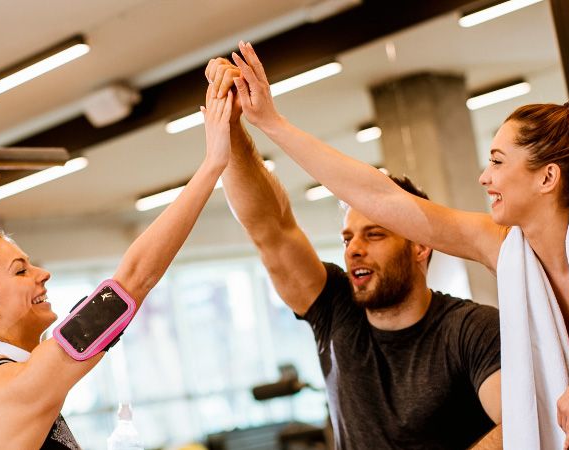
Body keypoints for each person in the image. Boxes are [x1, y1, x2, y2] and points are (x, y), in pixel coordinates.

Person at [220, 40, 569, 449]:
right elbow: (378, 195)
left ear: (547, 178)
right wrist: (272, 124)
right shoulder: (504, 249)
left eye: (499, 162)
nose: (484, 178)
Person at [0, 87, 235, 450]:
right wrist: (213, 163)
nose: (43, 274)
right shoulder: (10, 388)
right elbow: (134, 280)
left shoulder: (10, 380)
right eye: (20, 270)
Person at [205, 62, 502, 449]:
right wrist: (231, 127)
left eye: (374, 234)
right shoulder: (335, 309)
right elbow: (269, 228)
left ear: (420, 245)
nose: (355, 249)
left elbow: (520, 425)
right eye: (347, 239)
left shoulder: (471, 330)